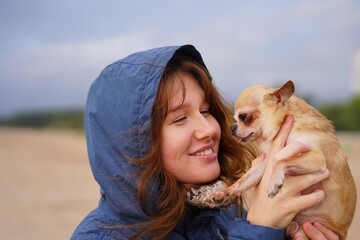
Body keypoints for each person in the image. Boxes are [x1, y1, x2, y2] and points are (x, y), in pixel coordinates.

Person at [71, 45, 339, 240]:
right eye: (179, 119)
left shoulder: (223, 214)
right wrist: (257, 230)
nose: (208, 129)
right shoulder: (98, 237)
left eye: (207, 110)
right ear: (132, 143)